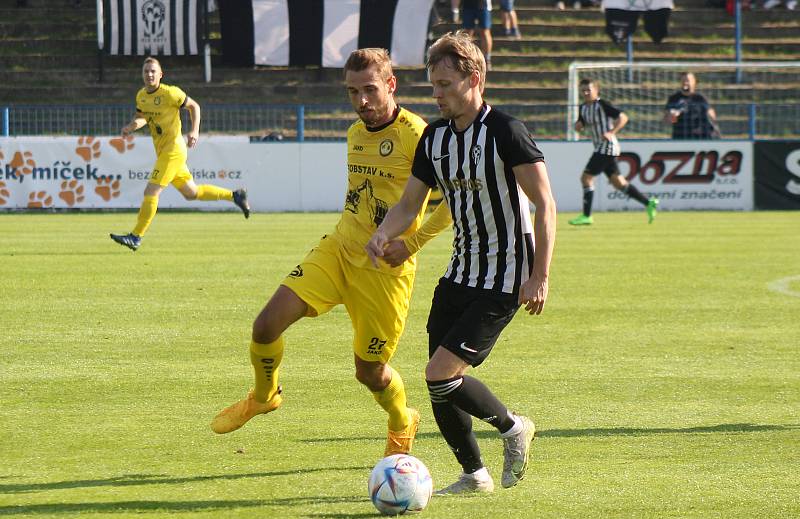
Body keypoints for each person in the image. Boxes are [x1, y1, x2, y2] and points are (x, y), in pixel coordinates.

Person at [210, 48, 453, 458]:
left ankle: (401, 420)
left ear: (390, 85)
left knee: (370, 373)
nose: (361, 101)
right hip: (339, 251)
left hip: (384, 274)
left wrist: (411, 243)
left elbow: (451, 201)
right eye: (352, 92)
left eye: (370, 90)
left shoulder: (419, 135)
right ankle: (265, 394)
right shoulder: (355, 133)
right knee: (265, 326)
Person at [366, 31, 557, 495]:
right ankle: (474, 474)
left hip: (506, 276)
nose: (436, 94)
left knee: (439, 374)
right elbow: (411, 204)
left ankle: (513, 428)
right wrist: (385, 233)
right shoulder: (434, 139)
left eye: (445, 85)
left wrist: (539, 275)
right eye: (432, 85)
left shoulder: (506, 131)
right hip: (460, 273)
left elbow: (545, 205)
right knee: (438, 375)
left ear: (474, 79)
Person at [110, 57, 249, 251]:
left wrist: (194, 131)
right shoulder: (141, 95)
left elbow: (194, 106)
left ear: (160, 74)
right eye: (146, 71)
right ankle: (235, 195)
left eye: (153, 71)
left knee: (151, 192)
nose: (149, 74)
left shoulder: (170, 93)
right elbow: (143, 117)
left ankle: (136, 236)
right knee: (191, 193)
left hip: (173, 150)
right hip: (163, 152)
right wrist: (131, 126)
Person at [569, 78, 658, 225]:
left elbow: (623, 117)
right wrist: (578, 126)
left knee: (586, 178)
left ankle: (586, 216)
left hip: (607, 147)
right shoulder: (583, 108)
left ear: (596, 90)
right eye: (583, 90)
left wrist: (612, 131)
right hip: (601, 147)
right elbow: (581, 124)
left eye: (588, 90)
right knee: (619, 183)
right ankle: (648, 203)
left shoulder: (602, 105)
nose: (585, 93)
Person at [663, 72, 719, 140]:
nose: (685, 83)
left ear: (694, 82)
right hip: (679, 138)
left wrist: (704, 128)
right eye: (683, 80)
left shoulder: (700, 98)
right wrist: (673, 116)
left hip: (698, 139)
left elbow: (712, 117)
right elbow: (667, 121)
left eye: (688, 80)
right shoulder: (674, 98)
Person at [460, 0, 493, 69]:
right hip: (467, 5)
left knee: (485, 32)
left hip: (483, 5)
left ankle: (487, 59)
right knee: (467, 33)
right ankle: (467, 57)